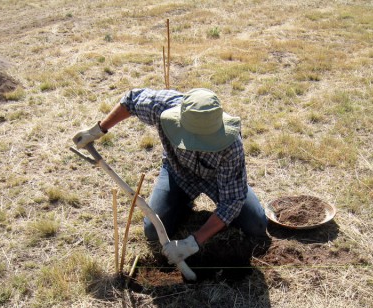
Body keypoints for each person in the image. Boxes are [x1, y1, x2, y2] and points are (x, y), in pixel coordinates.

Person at [73, 88, 268, 266]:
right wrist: (98, 130)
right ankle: (180, 205)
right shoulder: (163, 108)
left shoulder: (231, 145)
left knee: (256, 225)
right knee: (152, 231)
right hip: (178, 173)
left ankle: (184, 210)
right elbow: (131, 100)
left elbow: (232, 201)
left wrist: (193, 242)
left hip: (216, 180)